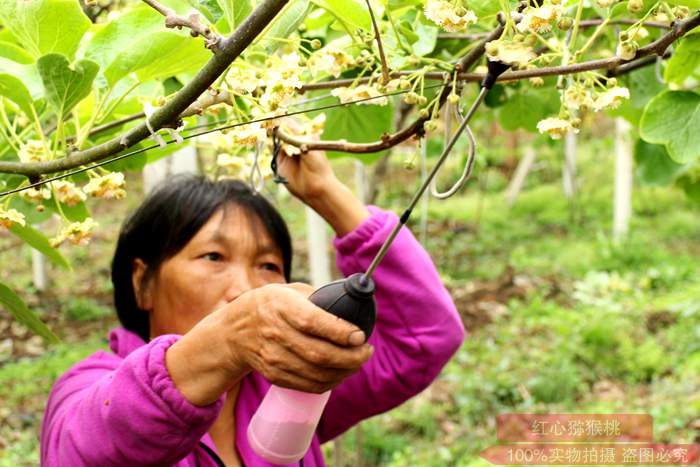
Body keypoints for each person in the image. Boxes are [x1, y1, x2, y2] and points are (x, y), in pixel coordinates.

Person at [40, 149, 465, 466]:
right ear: (142, 282)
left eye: (268, 265)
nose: (245, 288)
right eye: (213, 258)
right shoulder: (88, 388)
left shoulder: (289, 390)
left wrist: (327, 193)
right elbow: (87, 448)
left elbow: (423, 339)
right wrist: (227, 340)